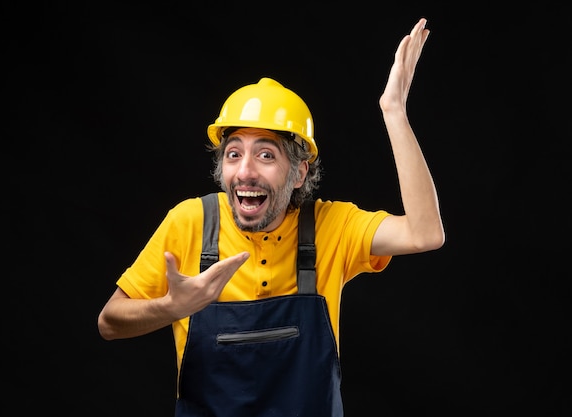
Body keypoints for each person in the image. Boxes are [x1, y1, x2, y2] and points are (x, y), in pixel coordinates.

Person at [98, 17, 444, 417]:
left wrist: (394, 112)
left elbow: (425, 233)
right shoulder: (190, 222)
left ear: (298, 173)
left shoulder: (331, 228)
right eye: (233, 153)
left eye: (266, 154)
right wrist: (172, 307)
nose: (245, 171)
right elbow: (110, 322)